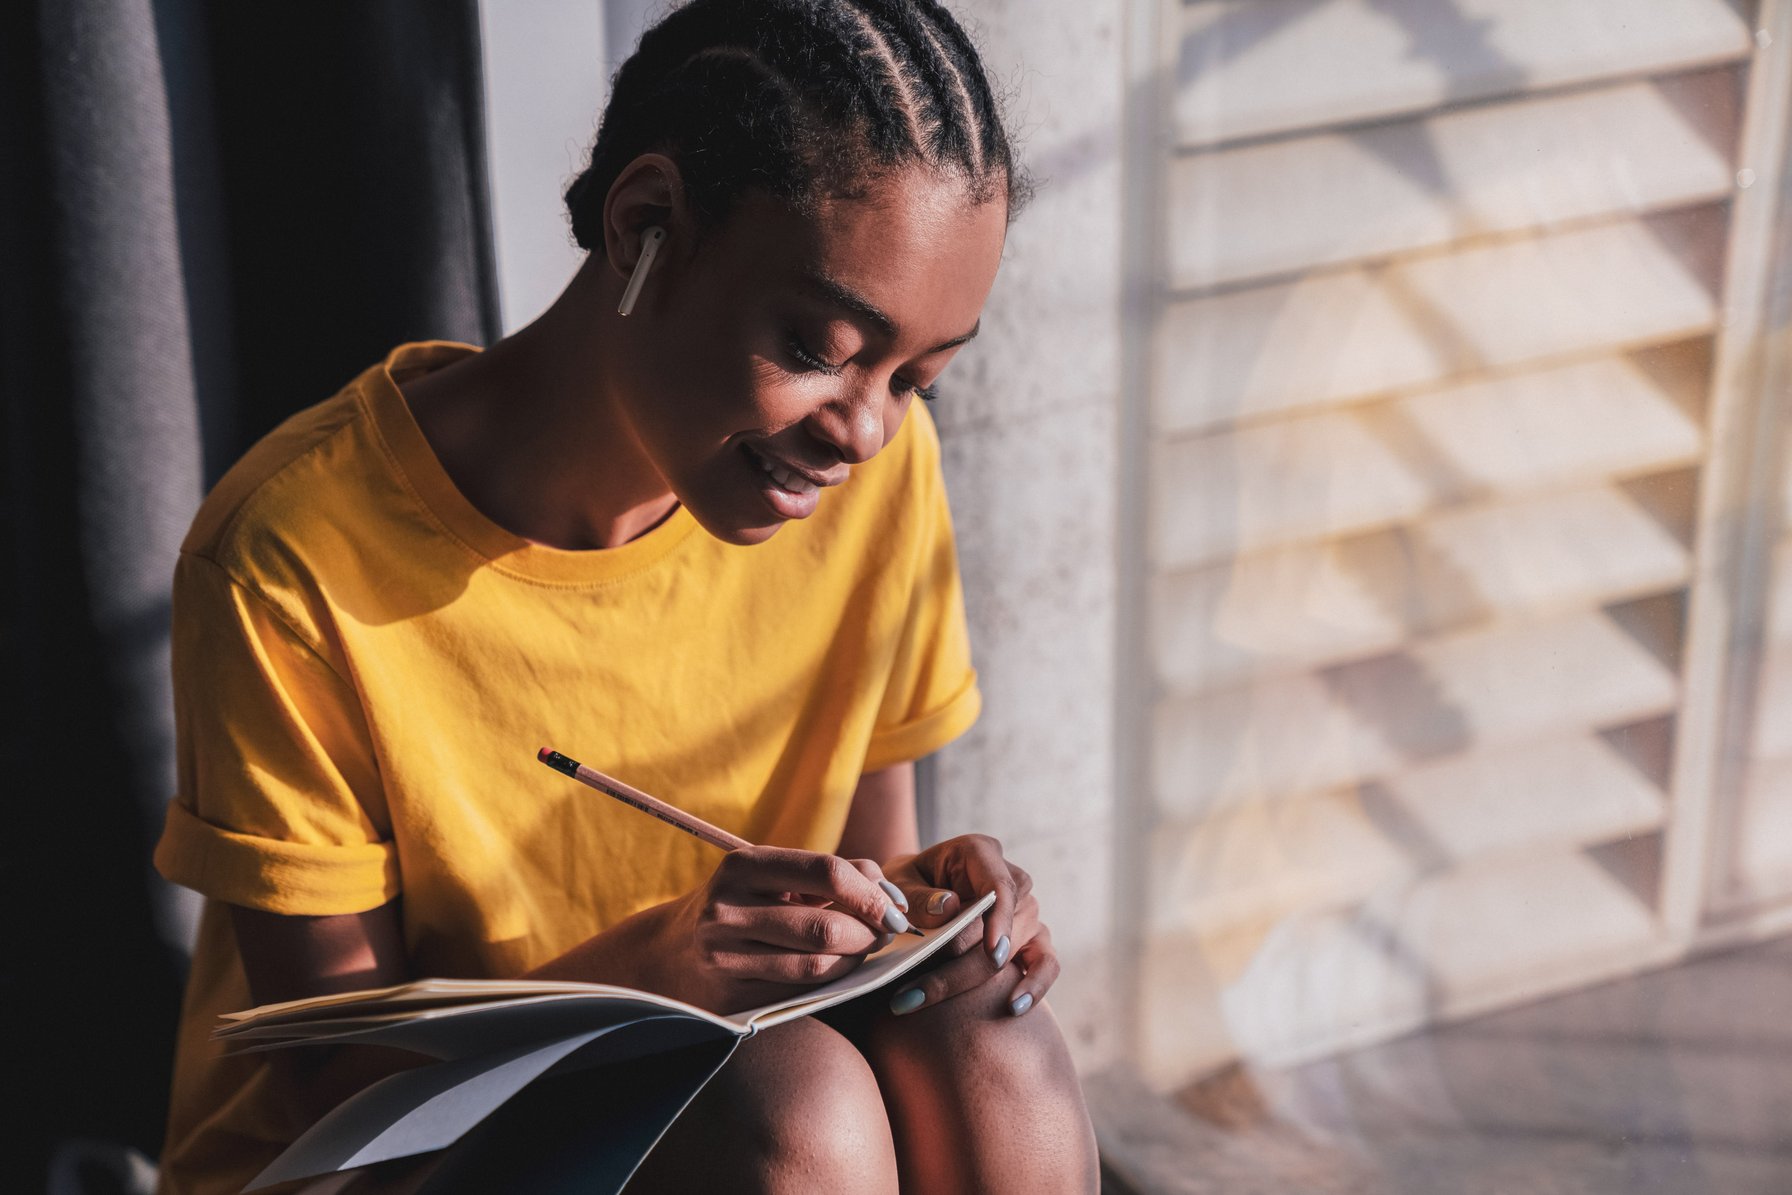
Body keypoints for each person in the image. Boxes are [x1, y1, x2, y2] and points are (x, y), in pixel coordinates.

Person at [151, 1, 1100, 1191]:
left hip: (741, 1094)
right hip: (381, 1156)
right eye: (818, 347)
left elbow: (869, 888)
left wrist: (931, 914)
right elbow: (337, 1085)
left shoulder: (878, 476)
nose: (864, 430)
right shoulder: (296, 553)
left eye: (917, 377)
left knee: (989, 1039)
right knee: (795, 1105)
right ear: (645, 224)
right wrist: (663, 959)